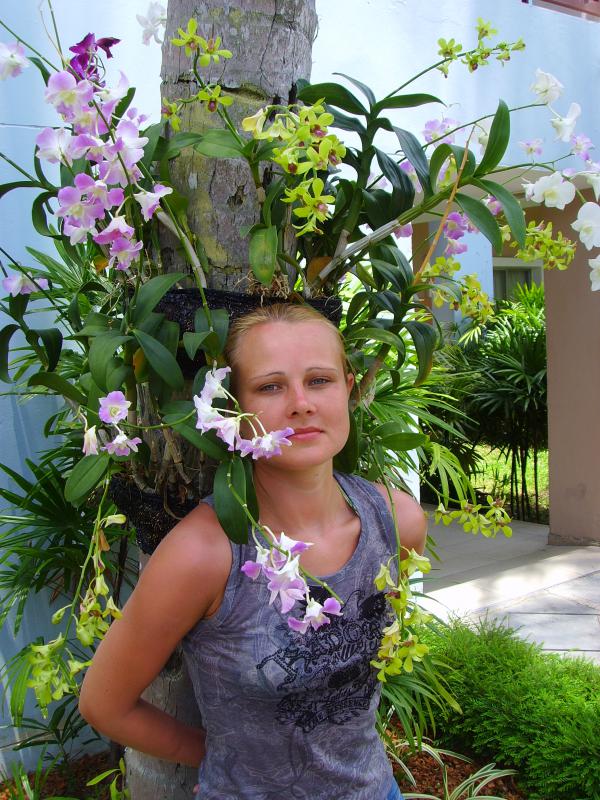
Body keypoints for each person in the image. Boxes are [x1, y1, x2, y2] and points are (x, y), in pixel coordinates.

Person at [79, 303, 427, 799]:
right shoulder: (203, 555)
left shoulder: (396, 522)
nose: (301, 404)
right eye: (270, 387)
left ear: (349, 389)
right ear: (231, 409)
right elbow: (104, 704)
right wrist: (219, 756)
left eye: (320, 380)